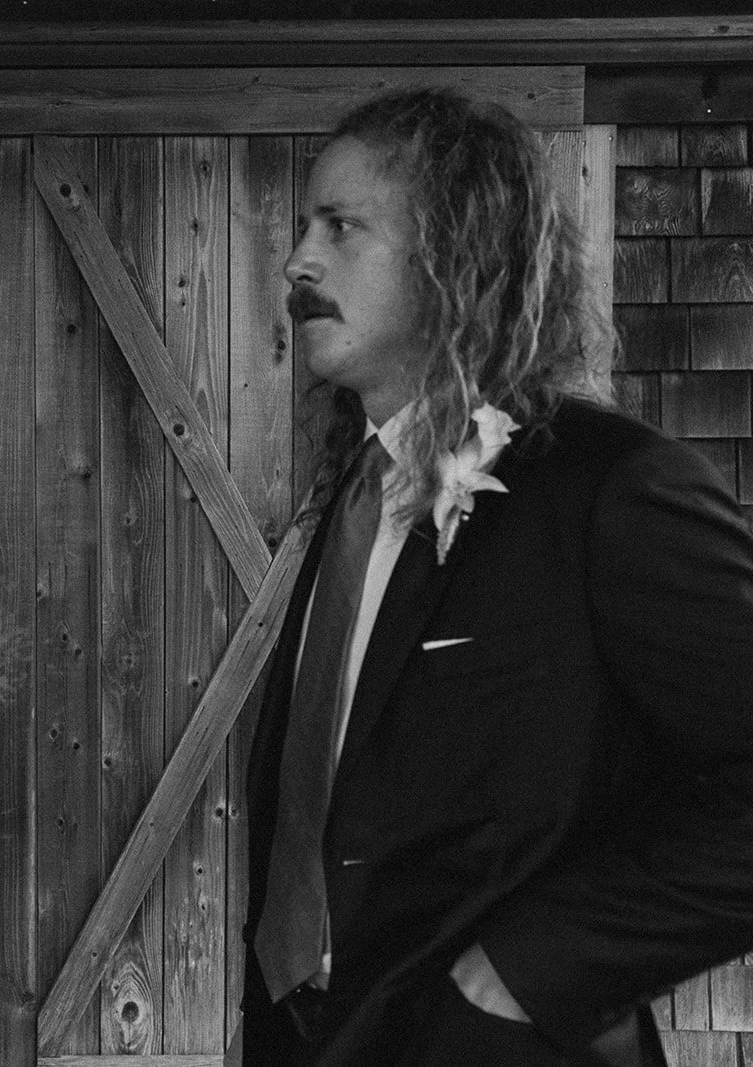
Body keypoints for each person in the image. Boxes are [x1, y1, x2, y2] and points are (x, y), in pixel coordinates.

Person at [242, 87, 753, 1066]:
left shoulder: (608, 491)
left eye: (343, 228)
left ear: (457, 251)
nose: (298, 261)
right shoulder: (355, 497)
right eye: (304, 227)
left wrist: (524, 971)